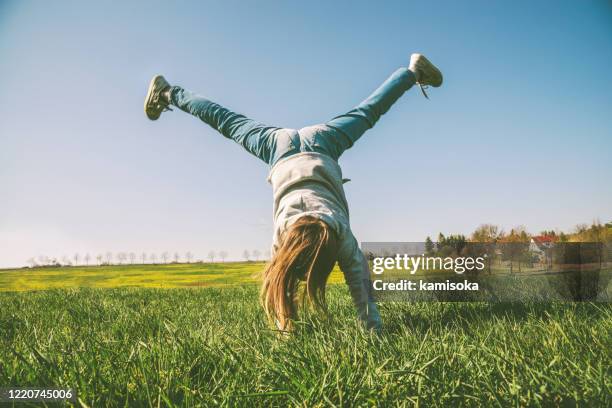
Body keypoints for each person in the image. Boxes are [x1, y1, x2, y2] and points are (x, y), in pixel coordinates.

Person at [144, 53, 443, 331]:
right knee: (225, 119)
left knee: (367, 112)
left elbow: (358, 286)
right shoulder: (285, 237)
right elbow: (356, 291)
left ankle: (169, 92)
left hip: (317, 144)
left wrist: (371, 327)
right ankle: (412, 72)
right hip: (281, 147)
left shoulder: (338, 236)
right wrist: (371, 331)